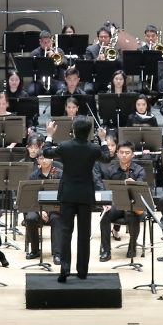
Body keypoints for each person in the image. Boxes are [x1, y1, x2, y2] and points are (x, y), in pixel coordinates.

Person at [43, 116, 110, 282]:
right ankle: (82, 271)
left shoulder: (65, 146)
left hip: (67, 194)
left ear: (73, 130)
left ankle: (65, 268)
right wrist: (103, 140)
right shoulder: (93, 148)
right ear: (89, 132)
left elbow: (46, 152)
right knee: (84, 234)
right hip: (85, 194)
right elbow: (107, 158)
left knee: (66, 232)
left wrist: (50, 135)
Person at [97, 141, 147, 262]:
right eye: (121, 152)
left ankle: (132, 245)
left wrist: (134, 184)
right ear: (117, 154)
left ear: (133, 154)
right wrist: (106, 203)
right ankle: (106, 250)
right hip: (117, 204)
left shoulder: (139, 170)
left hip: (133, 204)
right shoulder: (111, 170)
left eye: (127, 153)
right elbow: (105, 189)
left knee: (133, 216)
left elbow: (142, 190)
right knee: (104, 215)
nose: (124, 155)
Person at [24, 137, 62, 263]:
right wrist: (40, 211)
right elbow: (31, 196)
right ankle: (35, 250)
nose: (44, 160)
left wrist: (51, 209)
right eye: (41, 158)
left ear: (52, 159)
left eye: (46, 158)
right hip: (38, 208)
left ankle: (57, 253)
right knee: (30, 218)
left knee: (56, 219)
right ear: (38, 161)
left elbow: (63, 194)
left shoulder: (59, 174)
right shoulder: (34, 176)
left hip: (55, 208)